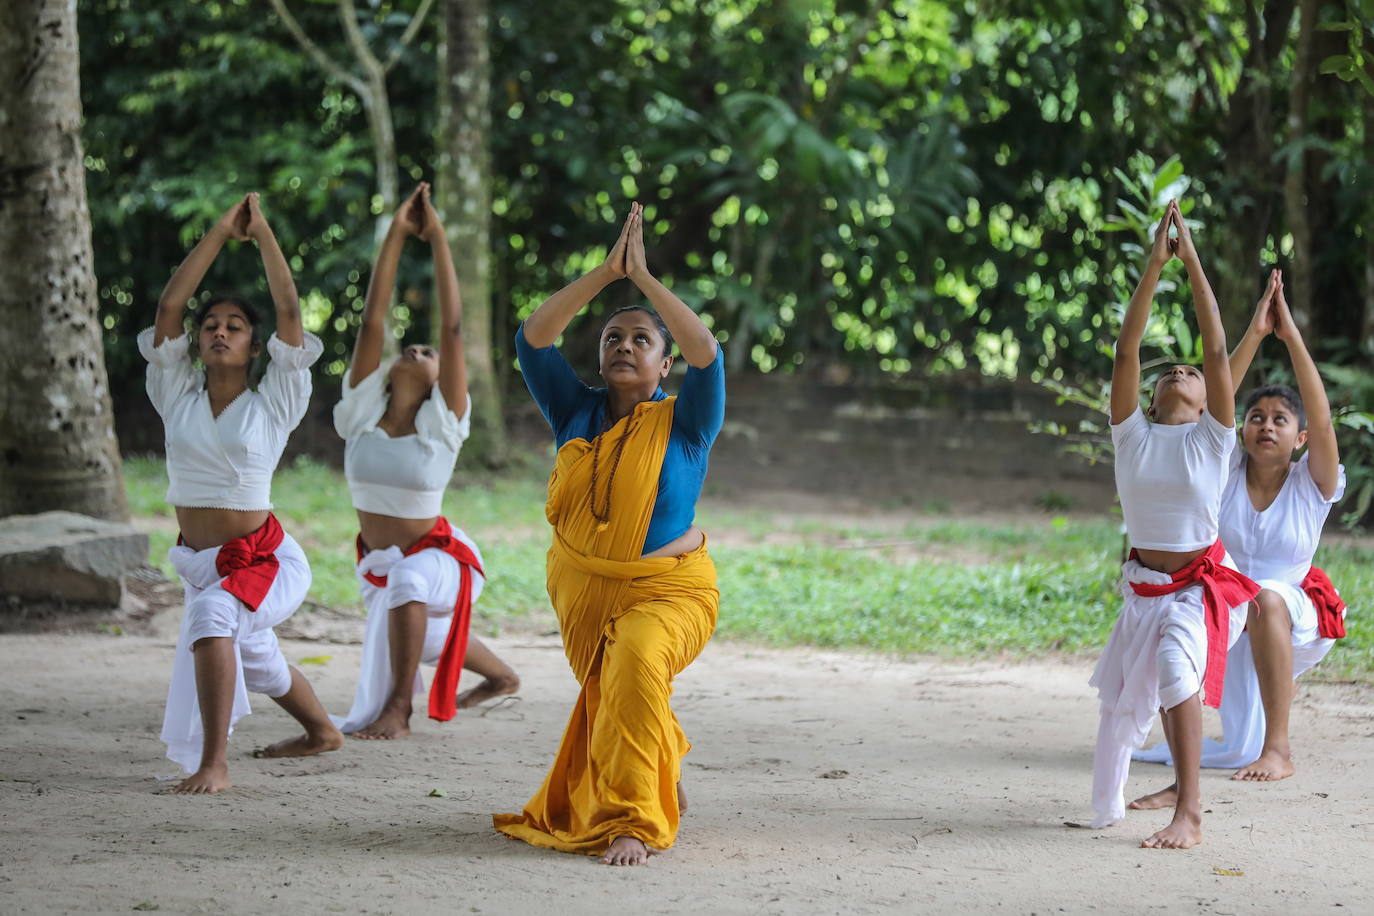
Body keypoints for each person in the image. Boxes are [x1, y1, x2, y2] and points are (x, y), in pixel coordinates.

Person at [493, 203, 725, 866]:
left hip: (670, 592)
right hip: (587, 595)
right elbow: (532, 340)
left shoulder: (687, 423)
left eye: (641, 340)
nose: (624, 347)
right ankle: (659, 761)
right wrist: (604, 273)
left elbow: (709, 354)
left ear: (663, 362)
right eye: (613, 339)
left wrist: (646, 280)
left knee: (635, 661)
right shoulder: (574, 409)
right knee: (624, 689)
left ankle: (633, 820)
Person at [141, 193, 342, 794]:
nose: (219, 332)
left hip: (266, 559)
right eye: (211, 327)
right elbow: (170, 304)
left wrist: (264, 237)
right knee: (255, 657)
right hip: (205, 562)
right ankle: (322, 732)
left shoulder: (276, 400)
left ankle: (214, 764)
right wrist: (219, 230)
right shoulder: (174, 392)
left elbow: (287, 308)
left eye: (233, 327)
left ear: (256, 347)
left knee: (213, 617)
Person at [1131, 269, 1346, 786]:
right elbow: (1217, 395)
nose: (1266, 425)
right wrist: (1255, 331)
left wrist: (1290, 337)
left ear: (1299, 438)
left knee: (1267, 595)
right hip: (1223, 606)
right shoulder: (1221, 470)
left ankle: (1279, 749)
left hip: (1288, 610)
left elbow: (1321, 418)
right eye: (1256, 417)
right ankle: (1178, 733)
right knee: (1177, 615)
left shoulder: (1311, 482)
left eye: (1279, 419)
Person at [1088, 199, 1259, 848]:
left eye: (1191, 373)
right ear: (1155, 399)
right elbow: (1127, 350)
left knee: (1172, 666)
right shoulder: (1132, 436)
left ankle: (1190, 811)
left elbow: (1216, 348)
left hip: (1202, 585)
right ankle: (1121, 801)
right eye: (1171, 373)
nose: (1182, 371)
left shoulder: (1213, 439)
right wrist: (1153, 267)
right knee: (1122, 701)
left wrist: (1191, 262)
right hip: (1144, 589)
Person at [333, 182, 519, 739]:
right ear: (386, 371)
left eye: (429, 352)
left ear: (444, 376)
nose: (417, 349)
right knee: (418, 630)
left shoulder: (445, 427)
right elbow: (371, 321)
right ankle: (503, 677)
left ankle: (399, 710)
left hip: (441, 558)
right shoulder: (359, 416)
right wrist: (393, 231)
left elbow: (454, 329)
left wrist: (436, 236)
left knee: (411, 584)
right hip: (380, 564)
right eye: (407, 348)